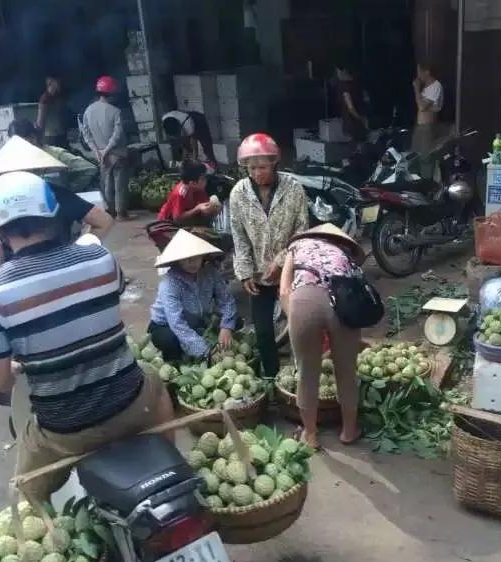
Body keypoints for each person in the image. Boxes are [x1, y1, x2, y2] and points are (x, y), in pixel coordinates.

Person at [0, 171, 174, 500]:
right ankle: (166, 465)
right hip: (132, 404)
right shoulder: (99, 258)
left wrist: (16, 367)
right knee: (153, 379)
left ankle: (30, 512)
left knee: (24, 498)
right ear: (53, 212)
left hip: (64, 430)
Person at [230, 133, 309, 378]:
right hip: (259, 274)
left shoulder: (293, 189)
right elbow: (239, 236)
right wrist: (244, 273)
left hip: (290, 272)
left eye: (262, 167)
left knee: (300, 327)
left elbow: (302, 232)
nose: (257, 173)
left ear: (274, 163)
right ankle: (272, 378)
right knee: (263, 331)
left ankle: (302, 376)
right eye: (251, 168)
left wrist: (282, 261)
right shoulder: (239, 194)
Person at [0, 135, 114, 275]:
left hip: (20, 277)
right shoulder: (56, 192)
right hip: (66, 270)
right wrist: (77, 252)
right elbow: (104, 221)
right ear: (37, 169)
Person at [280, 223, 364, 449]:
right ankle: (348, 431)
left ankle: (310, 434)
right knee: (346, 372)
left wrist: (294, 320)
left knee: (307, 373)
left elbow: (284, 290)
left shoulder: (298, 245)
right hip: (344, 304)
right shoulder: (344, 251)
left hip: (304, 301)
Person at [148, 229, 237, 362]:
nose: (192, 262)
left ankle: (194, 344)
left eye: (196, 257)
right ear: (177, 260)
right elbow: (177, 324)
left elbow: (226, 300)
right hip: (166, 325)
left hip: (197, 319)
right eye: (186, 259)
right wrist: (206, 352)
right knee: (169, 340)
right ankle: (176, 359)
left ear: (203, 256)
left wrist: (226, 327)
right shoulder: (169, 284)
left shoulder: (210, 273)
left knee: (235, 322)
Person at [81, 76, 131, 220]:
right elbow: (117, 134)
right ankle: (121, 213)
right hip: (117, 153)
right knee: (119, 183)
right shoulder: (116, 111)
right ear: (112, 93)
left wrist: (97, 151)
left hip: (100, 155)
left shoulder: (88, 111)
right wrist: (107, 149)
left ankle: (110, 212)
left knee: (106, 183)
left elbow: (86, 133)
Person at [9, 118, 97, 192]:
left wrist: (69, 189)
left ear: (32, 138)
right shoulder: (17, 159)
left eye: (19, 143)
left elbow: (90, 168)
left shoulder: (56, 155)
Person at [158, 160, 221, 226]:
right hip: (168, 223)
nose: (206, 180)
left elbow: (204, 205)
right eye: (203, 178)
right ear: (193, 183)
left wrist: (211, 208)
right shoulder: (180, 194)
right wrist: (197, 209)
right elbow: (177, 219)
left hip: (187, 217)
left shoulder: (199, 188)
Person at [411, 62, 444, 178]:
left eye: (419, 71)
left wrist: (416, 89)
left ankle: (426, 183)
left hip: (428, 127)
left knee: (426, 157)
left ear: (427, 72)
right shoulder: (425, 88)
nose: (418, 75)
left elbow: (422, 106)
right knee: (415, 155)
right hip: (420, 126)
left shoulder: (436, 86)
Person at [334, 61, 367, 143]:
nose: (338, 74)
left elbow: (350, 107)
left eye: (338, 71)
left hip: (354, 120)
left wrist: (361, 119)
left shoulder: (347, 86)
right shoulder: (349, 85)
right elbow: (351, 107)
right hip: (354, 120)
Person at [36, 75, 68, 148]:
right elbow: (41, 122)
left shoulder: (57, 97)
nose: (60, 83)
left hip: (61, 136)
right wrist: (39, 140)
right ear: (51, 83)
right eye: (58, 82)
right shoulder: (45, 98)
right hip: (52, 138)